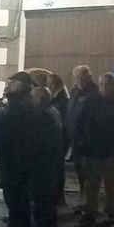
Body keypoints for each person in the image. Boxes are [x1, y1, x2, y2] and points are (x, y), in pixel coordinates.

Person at [75, 73, 114, 226]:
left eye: (108, 85)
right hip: (94, 150)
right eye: (102, 85)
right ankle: (90, 211)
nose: (105, 88)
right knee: (91, 184)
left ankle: (110, 211)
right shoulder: (91, 102)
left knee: (113, 185)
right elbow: (80, 124)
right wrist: (82, 143)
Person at [0, 72, 40, 227]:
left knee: (14, 197)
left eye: (12, 82)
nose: (8, 85)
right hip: (24, 157)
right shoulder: (30, 102)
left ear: (20, 85)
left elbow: (8, 132)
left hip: (14, 159)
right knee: (20, 196)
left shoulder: (17, 104)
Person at [31, 86, 64, 227]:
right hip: (52, 159)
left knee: (42, 195)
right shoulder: (53, 111)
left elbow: (40, 140)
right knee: (47, 195)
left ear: (39, 99)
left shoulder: (43, 115)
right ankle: (50, 224)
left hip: (44, 161)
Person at [67, 65, 100, 209]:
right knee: (81, 172)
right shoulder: (76, 91)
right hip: (76, 139)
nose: (77, 80)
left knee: (89, 175)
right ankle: (84, 200)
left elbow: (92, 119)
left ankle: (89, 204)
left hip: (87, 141)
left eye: (79, 77)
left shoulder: (93, 93)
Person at [47, 73, 70, 206]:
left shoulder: (61, 100)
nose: (49, 86)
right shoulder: (59, 98)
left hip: (59, 139)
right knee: (57, 168)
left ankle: (57, 197)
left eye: (50, 84)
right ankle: (57, 196)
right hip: (60, 139)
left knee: (57, 168)